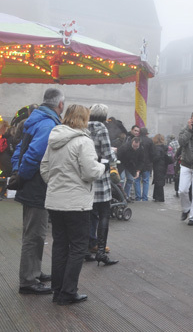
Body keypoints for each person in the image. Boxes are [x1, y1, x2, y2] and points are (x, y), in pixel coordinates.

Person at [40, 104, 106, 305]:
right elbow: (90, 172)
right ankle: (68, 291)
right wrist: (102, 166)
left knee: (60, 245)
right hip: (76, 202)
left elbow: (44, 167)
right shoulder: (83, 141)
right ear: (83, 119)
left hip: (55, 200)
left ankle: (57, 289)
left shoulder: (54, 139)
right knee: (78, 247)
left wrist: (53, 182)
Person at [12, 88, 65, 296]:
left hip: (30, 182)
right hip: (37, 184)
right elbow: (35, 153)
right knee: (35, 234)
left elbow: (20, 149)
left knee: (33, 232)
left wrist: (17, 171)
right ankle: (28, 280)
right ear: (60, 104)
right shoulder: (49, 123)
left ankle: (34, 271)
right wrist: (23, 175)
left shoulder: (35, 119)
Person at [86, 104, 118, 266]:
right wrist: (113, 154)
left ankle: (86, 248)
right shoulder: (102, 129)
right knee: (104, 214)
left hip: (87, 177)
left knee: (89, 214)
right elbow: (107, 154)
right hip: (101, 178)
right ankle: (100, 251)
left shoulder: (83, 128)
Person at [152, 134, 171, 202]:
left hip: (158, 166)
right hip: (163, 166)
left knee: (158, 181)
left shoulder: (157, 148)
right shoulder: (165, 147)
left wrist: (152, 159)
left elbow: (156, 157)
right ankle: (157, 196)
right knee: (160, 181)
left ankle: (159, 197)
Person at [138, 127, 154, 201]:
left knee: (137, 181)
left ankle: (137, 197)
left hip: (137, 164)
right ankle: (144, 197)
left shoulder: (136, 140)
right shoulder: (150, 141)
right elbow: (152, 153)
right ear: (146, 133)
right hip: (147, 164)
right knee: (146, 181)